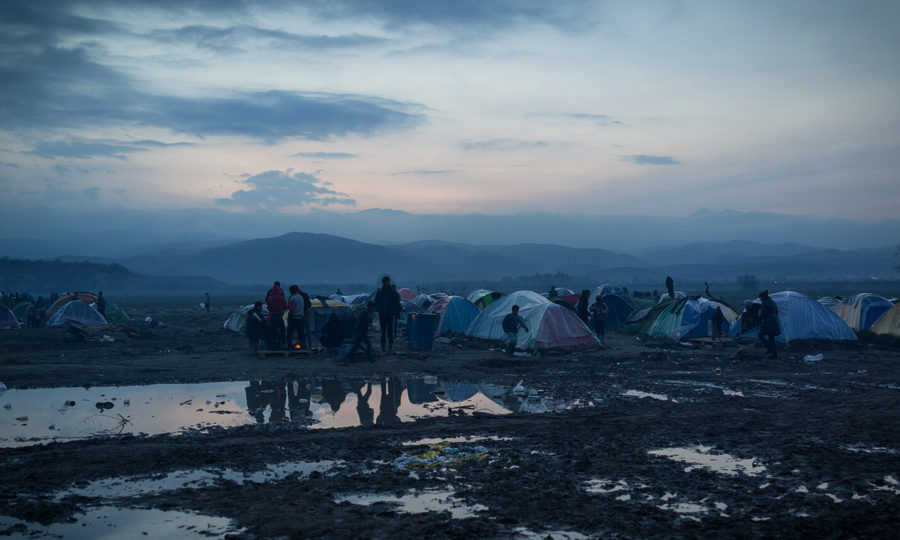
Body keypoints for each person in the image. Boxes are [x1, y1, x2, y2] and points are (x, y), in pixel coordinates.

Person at [374, 276, 402, 354]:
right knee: (383, 332)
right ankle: (383, 347)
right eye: (387, 281)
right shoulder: (379, 293)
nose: (388, 283)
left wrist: (395, 312)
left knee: (390, 331)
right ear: (384, 282)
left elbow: (397, 303)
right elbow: (376, 303)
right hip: (382, 315)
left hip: (390, 315)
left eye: (388, 281)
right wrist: (379, 310)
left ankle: (390, 347)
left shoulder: (393, 292)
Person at [758, 290, 781, 359]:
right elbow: (776, 312)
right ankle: (774, 354)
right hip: (774, 321)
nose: (760, 299)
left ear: (762, 297)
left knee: (760, 334)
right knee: (771, 338)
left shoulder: (764, 303)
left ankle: (769, 347)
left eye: (760, 298)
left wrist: (759, 316)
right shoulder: (773, 302)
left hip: (768, 321)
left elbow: (762, 314)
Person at [265, 281, 287, 349]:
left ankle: (272, 345)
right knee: (282, 330)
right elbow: (285, 306)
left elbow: (268, 307)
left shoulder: (269, 298)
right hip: (279, 316)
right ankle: (283, 343)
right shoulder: (281, 297)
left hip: (272, 316)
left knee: (272, 331)